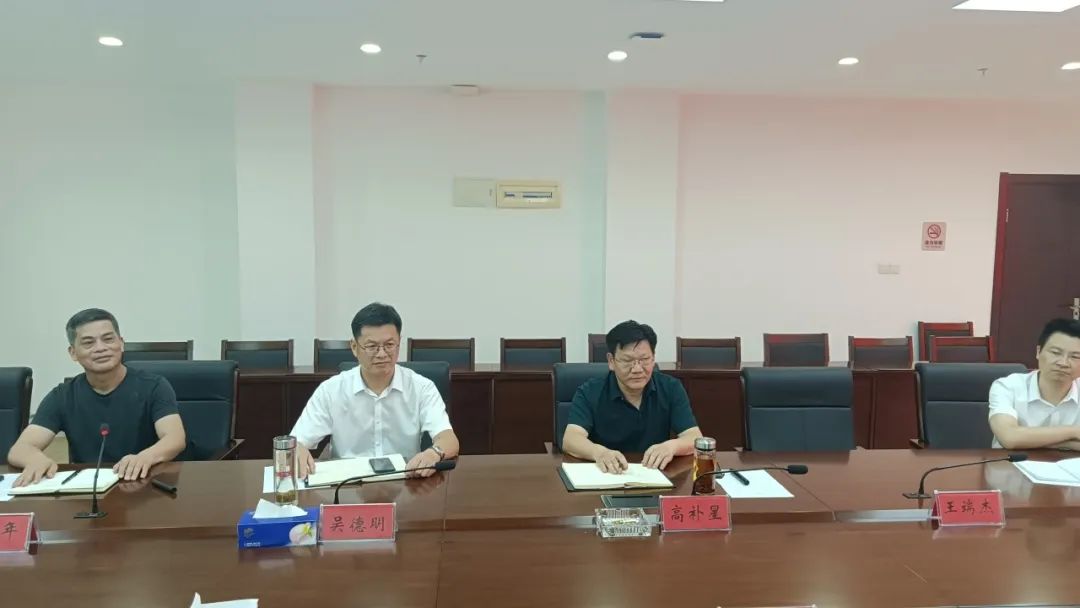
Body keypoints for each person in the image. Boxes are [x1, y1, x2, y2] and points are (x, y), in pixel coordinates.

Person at [8, 308, 187, 486]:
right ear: (73, 353)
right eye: (88, 343)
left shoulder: (154, 386)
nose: (101, 348)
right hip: (88, 488)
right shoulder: (62, 396)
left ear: (121, 343)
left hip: (145, 483)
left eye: (108, 339)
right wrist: (36, 459)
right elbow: (20, 449)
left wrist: (145, 457)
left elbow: (175, 438)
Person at [291, 302, 460, 479]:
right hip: (348, 485)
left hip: (405, 482)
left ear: (399, 343)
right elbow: (296, 442)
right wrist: (298, 449)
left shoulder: (421, 387)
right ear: (354, 347)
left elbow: (449, 439)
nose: (382, 354)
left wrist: (434, 453)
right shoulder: (331, 391)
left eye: (389, 345)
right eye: (372, 346)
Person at [562, 320, 703, 473]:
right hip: (607, 474)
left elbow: (694, 437)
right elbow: (571, 439)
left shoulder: (671, 388)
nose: (637, 369)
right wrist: (599, 453)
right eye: (627, 361)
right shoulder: (590, 391)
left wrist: (671, 447)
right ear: (611, 361)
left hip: (654, 475)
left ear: (653, 358)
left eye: (644, 360)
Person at [989, 318, 1080, 449]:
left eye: (1075, 356)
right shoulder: (1007, 387)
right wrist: (1074, 432)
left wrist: (1028, 441)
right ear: (1038, 352)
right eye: (1056, 353)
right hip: (1011, 461)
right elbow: (1009, 437)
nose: (1063, 363)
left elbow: (1016, 439)